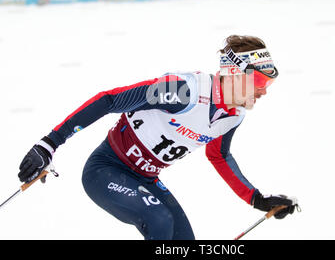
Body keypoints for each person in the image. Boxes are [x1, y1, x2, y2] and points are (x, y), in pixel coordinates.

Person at [17, 35, 298, 240]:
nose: (264, 92)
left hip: (147, 180)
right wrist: (50, 143)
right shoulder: (184, 90)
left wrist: (257, 199)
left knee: (183, 240)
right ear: (234, 74)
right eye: (259, 83)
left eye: (268, 84)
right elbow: (110, 100)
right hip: (106, 169)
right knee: (158, 219)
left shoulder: (233, 115)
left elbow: (219, 155)